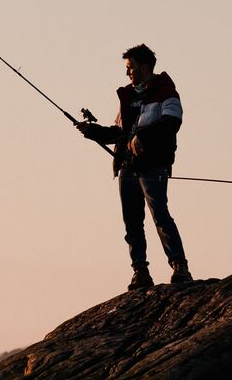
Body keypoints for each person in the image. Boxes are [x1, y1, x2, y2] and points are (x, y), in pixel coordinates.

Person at [76, 44, 192, 290]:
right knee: (132, 221)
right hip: (127, 166)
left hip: (154, 165)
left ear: (145, 66)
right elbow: (118, 133)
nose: (128, 73)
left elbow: (173, 122)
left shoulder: (167, 92)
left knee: (160, 215)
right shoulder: (127, 97)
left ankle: (179, 266)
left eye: (131, 68)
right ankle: (140, 272)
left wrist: (143, 137)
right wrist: (93, 132)